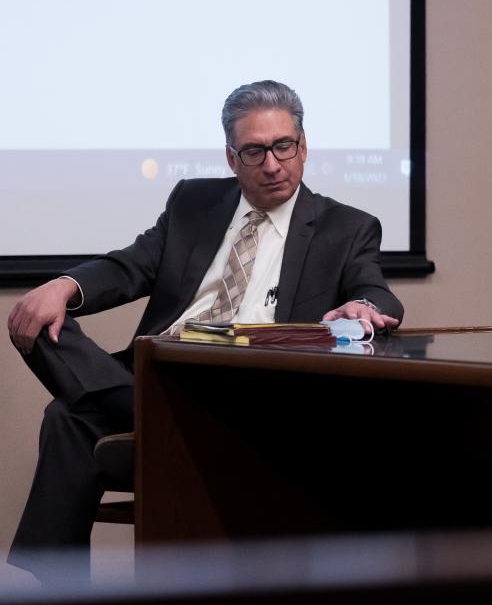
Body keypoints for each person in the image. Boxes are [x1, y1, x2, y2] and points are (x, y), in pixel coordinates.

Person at [6, 80, 403, 580]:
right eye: (255, 151)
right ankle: (147, 410)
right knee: (38, 321)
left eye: (284, 146)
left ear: (304, 148)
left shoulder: (346, 227)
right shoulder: (193, 204)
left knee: (68, 416)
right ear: (232, 159)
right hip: (158, 372)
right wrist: (63, 285)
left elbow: (379, 294)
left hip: (241, 393)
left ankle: (54, 586)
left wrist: (363, 307)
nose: (273, 163)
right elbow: (130, 267)